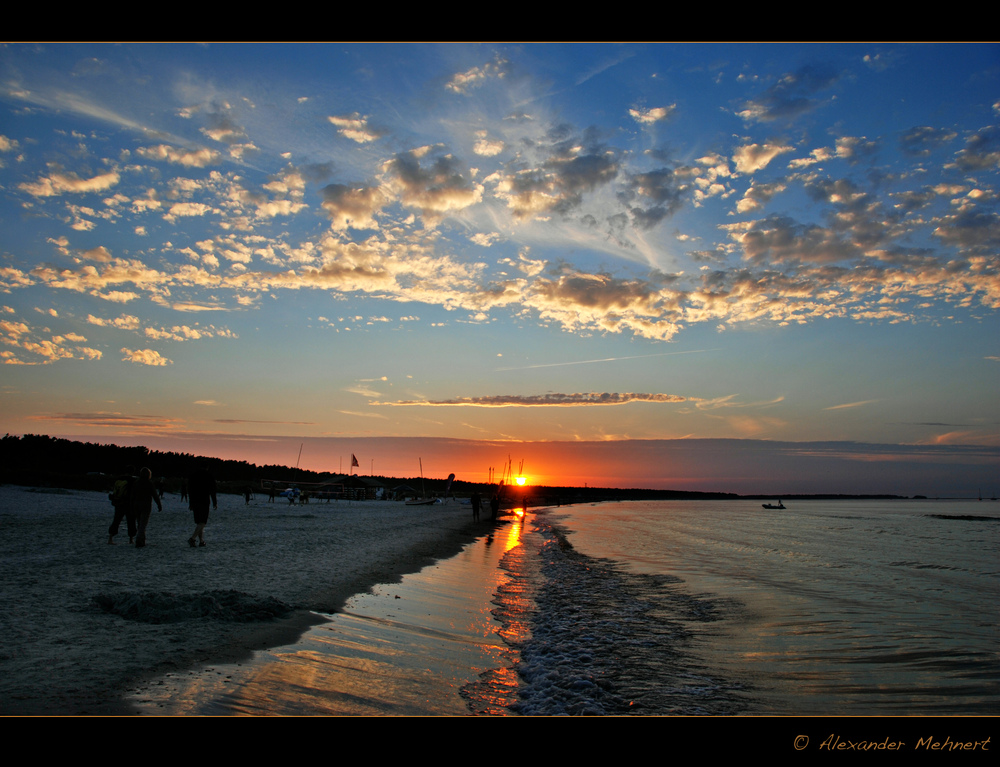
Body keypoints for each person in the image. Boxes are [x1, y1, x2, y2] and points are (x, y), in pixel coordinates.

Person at [187, 464, 217, 547]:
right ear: (207, 468)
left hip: (195, 500)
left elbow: (190, 489)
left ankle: (201, 541)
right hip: (204, 500)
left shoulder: (194, 476)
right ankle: (192, 538)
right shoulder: (209, 476)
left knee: (199, 522)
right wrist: (214, 502)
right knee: (203, 521)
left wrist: (190, 502)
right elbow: (213, 490)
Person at [132, 467, 162, 548]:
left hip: (136, 504)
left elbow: (132, 494)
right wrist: (159, 504)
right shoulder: (149, 483)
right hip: (146, 505)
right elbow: (155, 495)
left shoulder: (136, 482)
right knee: (143, 523)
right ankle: (139, 539)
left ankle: (142, 540)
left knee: (139, 523)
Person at [107, 466, 136, 545]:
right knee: (131, 521)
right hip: (128, 503)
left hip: (118, 502)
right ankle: (131, 539)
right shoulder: (132, 480)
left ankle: (110, 538)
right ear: (132, 472)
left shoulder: (118, 479)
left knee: (116, 520)